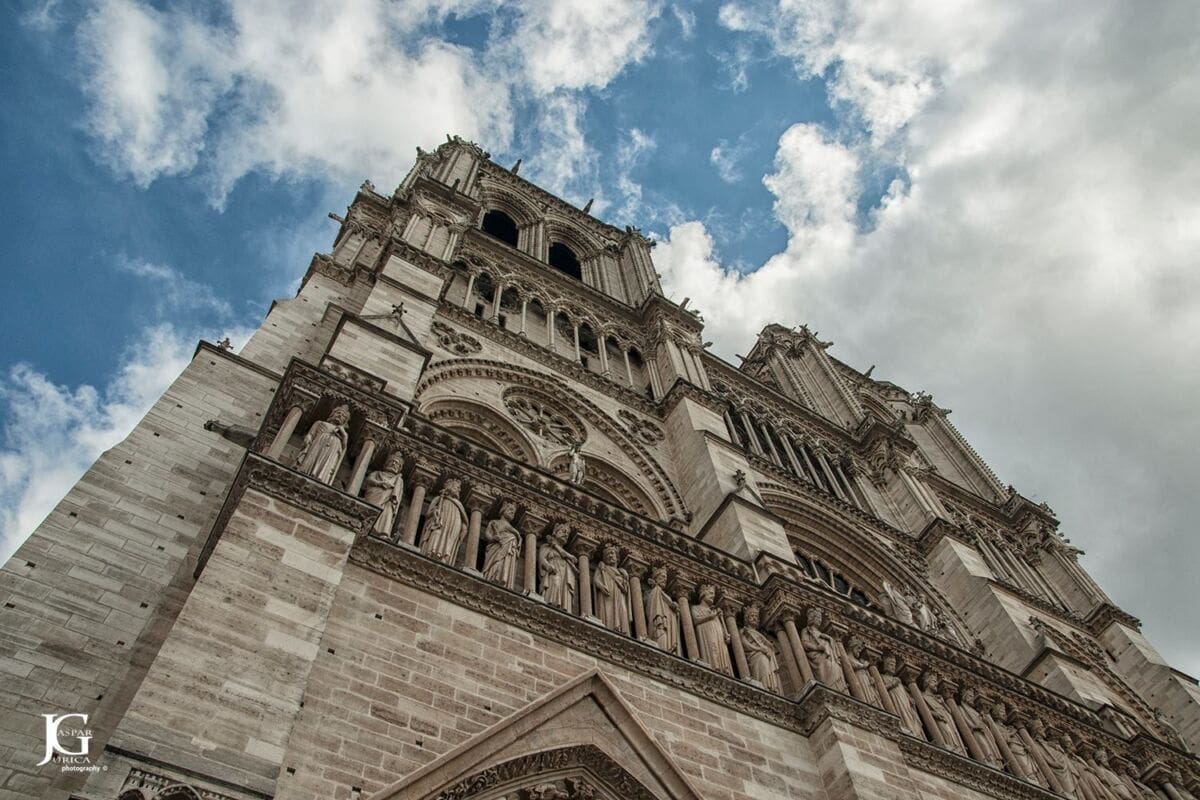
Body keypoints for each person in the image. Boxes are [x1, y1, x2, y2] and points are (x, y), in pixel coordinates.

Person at [296, 405, 350, 484]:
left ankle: (321, 478)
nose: (340, 416)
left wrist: (344, 434)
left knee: (326, 465)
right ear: (332, 414)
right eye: (338, 413)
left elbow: (344, 447)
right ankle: (306, 471)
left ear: (344, 421)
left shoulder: (343, 433)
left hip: (332, 450)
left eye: (343, 416)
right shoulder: (320, 423)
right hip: (318, 443)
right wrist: (308, 437)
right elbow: (311, 433)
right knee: (312, 458)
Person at [419, 478, 467, 564]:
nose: (458, 490)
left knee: (449, 539)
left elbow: (464, 521)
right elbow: (428, 513)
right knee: (437, 533)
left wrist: (463, 527)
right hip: (439, 522)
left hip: (453, 524)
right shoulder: (439, 498)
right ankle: (430, 552)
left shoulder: (459, 504)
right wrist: (434, 511)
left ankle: (444, 558)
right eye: (457, 487)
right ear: (450, 487)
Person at [801, 608, 847, 691]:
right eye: (817, 617)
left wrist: (829, 638)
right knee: (826, 666)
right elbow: (805, 643)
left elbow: (833, 645)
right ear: (812, 618)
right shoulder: (807, 630)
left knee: (836, 669)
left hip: (829, 656)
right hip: (818, 657)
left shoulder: (823, 634)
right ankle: (828, 689)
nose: (819, 620)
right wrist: (816, 647)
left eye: (820, 618)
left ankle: (839, 689)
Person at [361, 451, 405, 537]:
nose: (393, 464)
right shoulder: (377, 473)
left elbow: (397, 495)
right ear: (386, 464)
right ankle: (365, 525)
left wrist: (394, 496)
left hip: (388, 500)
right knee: (370, 508)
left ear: (399, 468)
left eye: (396, 463)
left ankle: (383, 532)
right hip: (374, 495)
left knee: (387, 511)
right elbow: (369, 479)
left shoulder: (399, 480)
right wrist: (380, 483)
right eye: (391, 461)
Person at [692, 584, 733, 675]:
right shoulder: (696, 608)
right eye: (710, 593)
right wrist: (710, 616)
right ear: (703, 594)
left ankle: (724, 669)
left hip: (718, 634)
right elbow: (695, 620)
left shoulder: (714, 612)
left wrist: (725, 634)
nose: (713, 596)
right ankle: (714, 666)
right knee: (712, 647)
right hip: (706, 631)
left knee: (720, 649)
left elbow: (719, 625)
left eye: (713, 594)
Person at [741, 605, 781, 691]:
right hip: (755, 655)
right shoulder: (744, 631)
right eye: (752, 616)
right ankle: (764, 685)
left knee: (767, 669)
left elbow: (767, 643)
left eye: (756, 616)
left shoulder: (759, 634)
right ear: (747, 618)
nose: (754, 618)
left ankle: (771, 687)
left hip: (764, 654)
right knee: (762, 667)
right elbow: (745, 644)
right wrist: (759, 649)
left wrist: (770, 647)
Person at [592, 544, 631, 633]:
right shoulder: (602, 568)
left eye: (612, 553)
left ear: (617, 557)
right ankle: (608, 627)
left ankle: (622, 630)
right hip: (607, 594)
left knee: (622, 611)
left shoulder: (622, 572)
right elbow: (595, 579)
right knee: (608, 611)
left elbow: (625, 589)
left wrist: (625, 578)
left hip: (619, 596)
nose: (610, 556)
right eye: (607, 555)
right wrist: (602, 587)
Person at [481, 502, 521, 587]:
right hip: (496, 548)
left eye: (513, 512)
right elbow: (488, 533)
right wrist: (492, 538)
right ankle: (491, 576)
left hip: (508, 552)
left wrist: (517, 538)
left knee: (505, 565)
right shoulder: (494, 522)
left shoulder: (513, 530)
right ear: (503, 510)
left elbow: (518, 539)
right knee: (496, 564)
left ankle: (505, 580)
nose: (512, 513)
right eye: (510, 510)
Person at [540, 523, 577, 612]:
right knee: (555, 585)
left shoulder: (565, 554)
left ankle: (564, 607)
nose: (565, 534)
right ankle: (551, 603)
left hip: (565, 575)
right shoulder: (547, 547)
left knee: (564, 590)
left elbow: (573, 561)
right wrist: (548, 566)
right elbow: (542, 559)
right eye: (563, 531)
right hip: (554, 572)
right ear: (555, 533)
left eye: (567, 533)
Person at [644, 565, 679, 653]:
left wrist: (674, 609)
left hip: (668, 626)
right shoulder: (654, 591)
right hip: (660, 626)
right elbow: (651, 608)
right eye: (662, 577)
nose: (665, 580)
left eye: (666, 578)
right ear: (656, 577)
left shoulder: (663, 595)